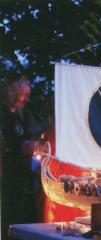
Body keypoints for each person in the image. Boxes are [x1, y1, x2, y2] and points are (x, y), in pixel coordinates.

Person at [0, 78, 36, 239]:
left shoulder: (21, 116)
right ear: (12, 93)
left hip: (21, 177)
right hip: (7, 176)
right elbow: (15, 144)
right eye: (23, 94)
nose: (26, 99)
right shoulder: (4, 114)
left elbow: (26, 138)